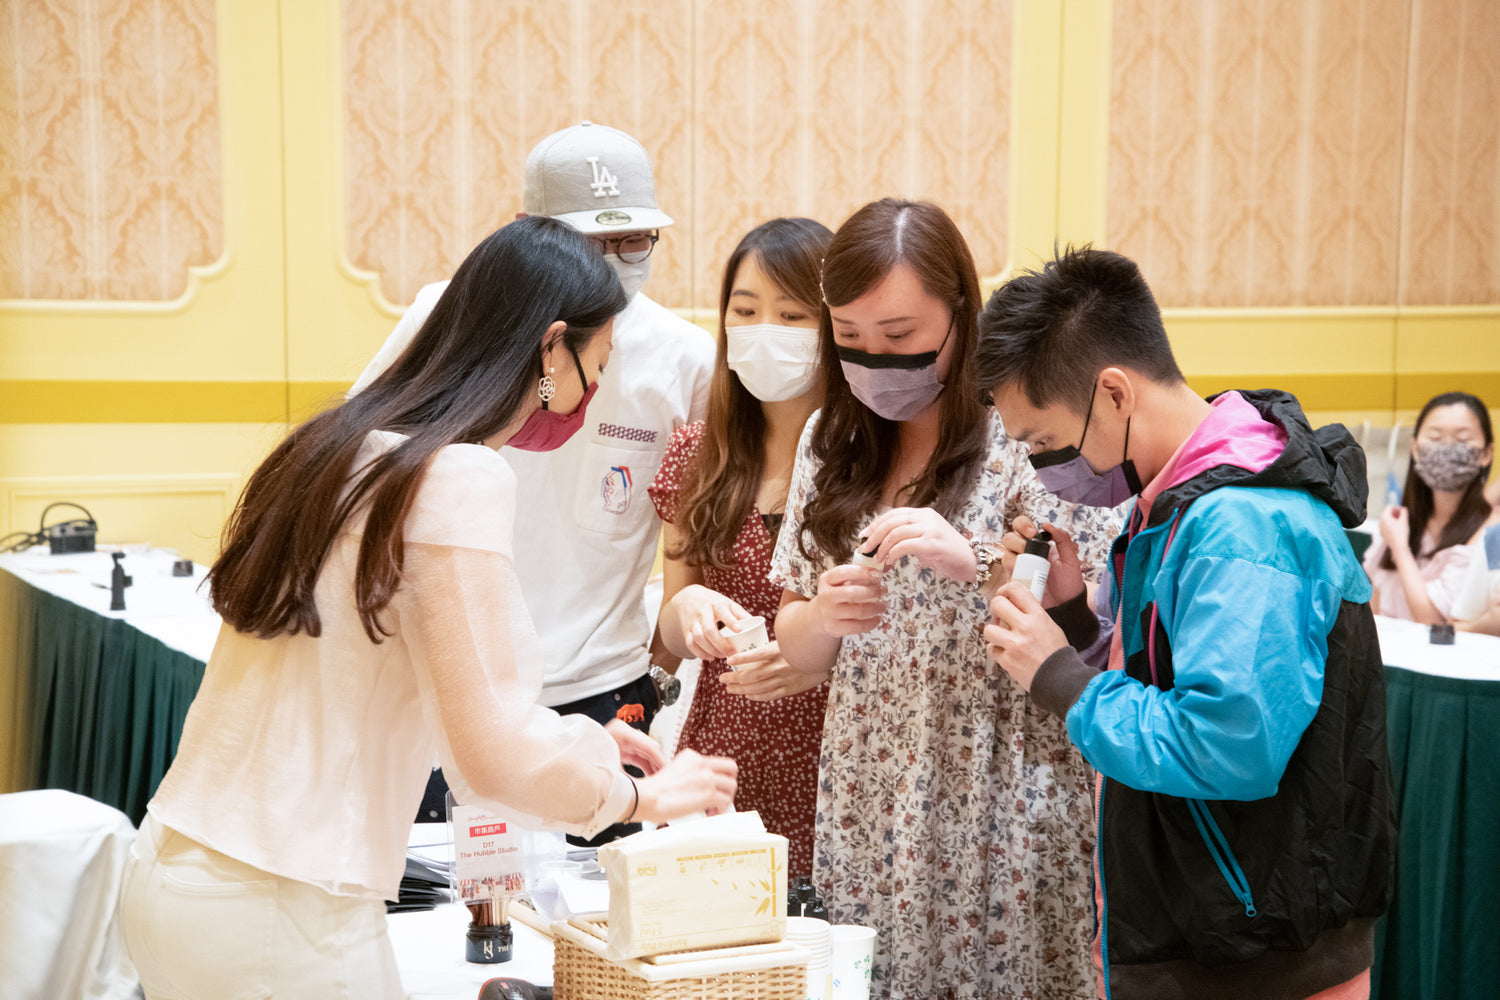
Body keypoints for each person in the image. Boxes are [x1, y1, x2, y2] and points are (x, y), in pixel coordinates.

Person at [120, 218, 737, 999]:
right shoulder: (455, 479)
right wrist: (640, 800)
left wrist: (585, 744)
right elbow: (488, 754)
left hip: (173, 869)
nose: (590, 397)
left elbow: (447, 707)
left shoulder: (337, 447)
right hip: (284, 902)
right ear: (553, 349)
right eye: (597, 368)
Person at [976, 246, 1395, 1000]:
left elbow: (1227, 745)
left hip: (1261, 955)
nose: (1043, 465)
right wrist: (1075, 617)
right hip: (1212, 926)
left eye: (1041, 440)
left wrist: (1060, 678)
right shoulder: (1178, 501)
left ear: (1113, 393)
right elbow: (1174, 678)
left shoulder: (1244, 524)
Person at [766, 199, 1119, 999]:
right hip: (871, 788)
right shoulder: (830, 437)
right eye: (850, 339)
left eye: (899, 338)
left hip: (1006, 785)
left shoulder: (1027, 427)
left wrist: (981, 566)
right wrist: (823, 616)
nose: (874, 362)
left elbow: (1092, 617)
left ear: (961, 316)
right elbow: (795, 641)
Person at [351, 122, 715, 838]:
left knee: (600, 931)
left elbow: (692, 530)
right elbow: (366, 471)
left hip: (604, 696)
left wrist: (659, 675)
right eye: (587, 243)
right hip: (452, 693)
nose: (611, 264)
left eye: (633, 241)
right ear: (527, 234)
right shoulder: (444, 315)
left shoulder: (686, 359)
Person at [647, 218, 833, 877]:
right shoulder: (699, 453)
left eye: (792, 315)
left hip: (838, 758)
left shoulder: (866, 458)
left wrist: (820, 658)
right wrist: (690, 604)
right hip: (723, 755)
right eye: (745, 311)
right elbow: (669, 628)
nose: (764, 332)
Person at [1363, 392, 1493, 623]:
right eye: (1435, 438)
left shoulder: (1488, 535)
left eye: (1462, 440)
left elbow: (1432, 622)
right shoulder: (1399, 523)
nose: (1446, 449)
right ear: (1415, 449)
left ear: (1486, 454)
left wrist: (1400, 548)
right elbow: (1369, 608)